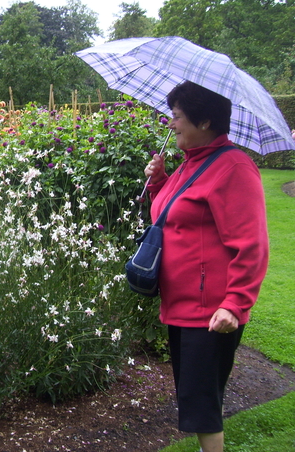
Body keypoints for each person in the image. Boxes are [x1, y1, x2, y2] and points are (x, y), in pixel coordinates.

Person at [144, 81, 269, 452]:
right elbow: (172, 217)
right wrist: (159, 182)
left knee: (201, 405)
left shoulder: (233, 168)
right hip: (183, 306)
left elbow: (252, 245)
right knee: (194, 397)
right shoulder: (190, 164)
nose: (171, 124)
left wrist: (235, 302)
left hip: (211, 311)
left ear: (205, 122)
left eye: (178, 117)